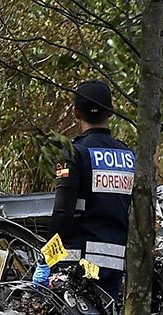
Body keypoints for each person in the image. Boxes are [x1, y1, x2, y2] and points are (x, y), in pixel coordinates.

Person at [33, 79, 135, 298]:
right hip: (114, 267)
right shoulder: (128, 156)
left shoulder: (73, 153)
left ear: (76, 113)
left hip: (78, 266)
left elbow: (62, 213)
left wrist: (45, 260)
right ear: (111, 112)